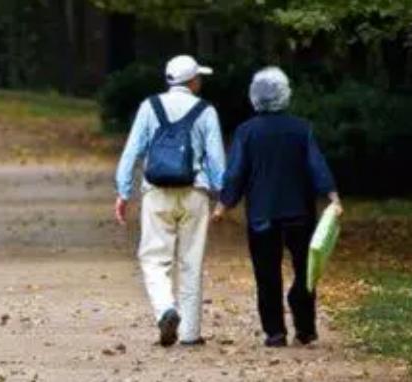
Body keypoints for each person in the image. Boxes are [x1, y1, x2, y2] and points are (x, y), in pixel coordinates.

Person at [212, 67, 343, 347]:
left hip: (262, 213)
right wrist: (332, 195)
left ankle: (275, 332)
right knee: (306, 269)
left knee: (266, 273)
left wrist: (224, 204)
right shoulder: (301, 128)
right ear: (285, 95)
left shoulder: (246, 132)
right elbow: (316, 164)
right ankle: (305, 327)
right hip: (300, 211)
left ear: (254, 97)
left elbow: (236, 172)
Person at [115, 55, 226, 347]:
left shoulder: (149, 107)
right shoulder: (206, 111)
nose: (200, 81)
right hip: (195, 194)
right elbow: (216, 161)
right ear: (192, 81)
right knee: (191, 261)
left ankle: (166, 308)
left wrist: (123, 192)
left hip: (157, 192)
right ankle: (190, 333)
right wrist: (223, 196)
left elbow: (131, 152)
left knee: (154, 258)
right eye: (198, 77)